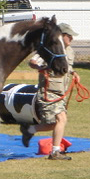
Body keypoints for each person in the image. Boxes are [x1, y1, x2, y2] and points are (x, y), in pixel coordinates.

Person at [20, 23, 80, 161]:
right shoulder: (49, 48)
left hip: (61, 92)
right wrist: (42, 67)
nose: (71, 39)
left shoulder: (70, 51)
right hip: (48, 91)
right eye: (69, 36)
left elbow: (67, 67)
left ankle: (29, 130)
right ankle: (55, 152)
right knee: (61, 119)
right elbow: (32, 62)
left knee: (53, 124)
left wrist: (73, 72)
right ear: (61, 36)